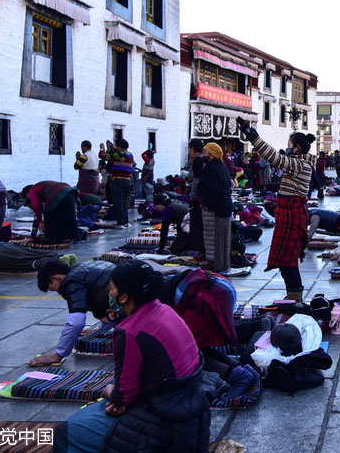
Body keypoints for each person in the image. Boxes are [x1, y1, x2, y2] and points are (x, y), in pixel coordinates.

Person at [55, 262, 221, 453]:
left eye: (112, 288)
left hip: (164, 417)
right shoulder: (165, 310)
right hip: (191, 405)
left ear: (124, 297)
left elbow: (124, 395)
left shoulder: (128, 331)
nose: (109, 294)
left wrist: (108, 390)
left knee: (67, 433)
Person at [241, 120, 315, 302]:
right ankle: (293, 295)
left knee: (288, 262)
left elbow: (273, 156)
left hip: (292, 216)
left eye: (289, 146)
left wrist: (253, 136)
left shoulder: (299, 164)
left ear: (297, 148)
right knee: (286, 261)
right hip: (289, 215)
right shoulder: (299, 163)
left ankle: (295, 298)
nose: (287, 149)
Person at [29, 259, 115, 367]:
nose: (58, 292)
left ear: (56, 278)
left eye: (54, 288)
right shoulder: (84, 266)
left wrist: (58, 355)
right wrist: (104, 328)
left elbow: (76, 322)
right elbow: (101, 295)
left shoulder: (71, 282)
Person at [198, 143, 232, 273]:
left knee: (216, 238)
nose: (203, 154)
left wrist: (205, 203)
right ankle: (224, 265)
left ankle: (217, 266)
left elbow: (211, 189)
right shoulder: (221, 166)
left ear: (211, 154)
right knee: (224, 238)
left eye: (205, 152)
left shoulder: (212, 168)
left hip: (218, 208)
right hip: (225, 206)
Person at [102, 139, 135, 227]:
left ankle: (120, 222)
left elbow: (106, 157)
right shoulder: (130, 155)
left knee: (118, 202)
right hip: (128, 180)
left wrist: (106, 149)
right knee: (124, 202)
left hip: (119, 180)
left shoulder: (120, 153)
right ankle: (125, 221)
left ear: (119, 146)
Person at [187, 139, 207, 256]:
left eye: (189, 148)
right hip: (202, 196)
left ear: (193, 148)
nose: (189, 151)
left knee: (197, 224)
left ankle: (200, 250)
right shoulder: (201, 160)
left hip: (199, 198)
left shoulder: (198, 161)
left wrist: (192, 196)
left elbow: (196, 180)